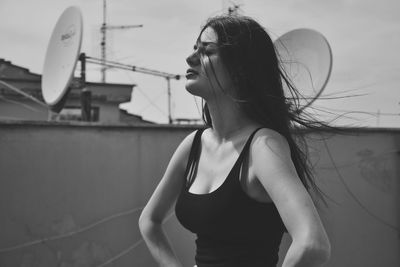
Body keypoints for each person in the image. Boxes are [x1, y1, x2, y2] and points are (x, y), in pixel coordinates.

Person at [139, 15, 331, 267]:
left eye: (207, 51)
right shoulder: (194, 145)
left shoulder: (263, 146)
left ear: (240, 70)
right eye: (194, 48)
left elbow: (313, 245)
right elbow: (149, 221)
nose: (191, 58)